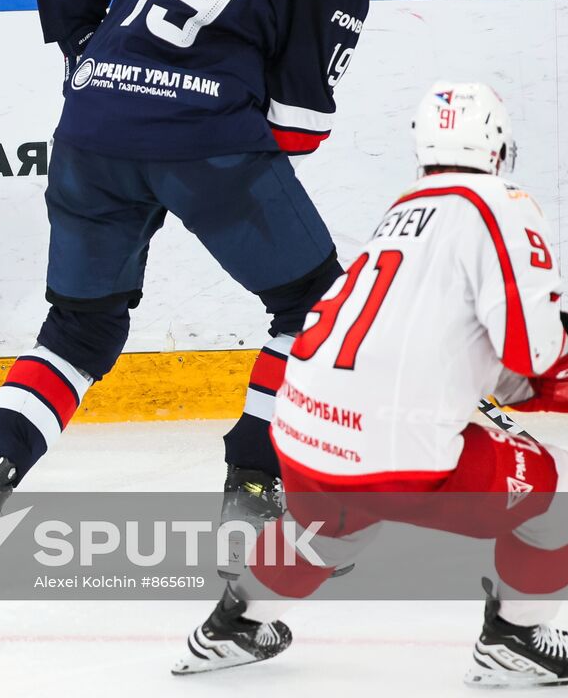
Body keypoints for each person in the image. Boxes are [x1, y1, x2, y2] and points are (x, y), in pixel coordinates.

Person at [0, 0, 414, 541]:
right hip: (208, 144)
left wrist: (87, 53)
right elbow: (301, 129)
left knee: (80, 332)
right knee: (314, 309)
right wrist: (218, 160)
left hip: (91, 130)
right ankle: (252, 485)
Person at [173, 81, 568, 686]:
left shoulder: (403, 211)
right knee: (555, 496)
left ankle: (235, 624)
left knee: (336, 525)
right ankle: (515, 639)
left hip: (302, 429)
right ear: (500, 149)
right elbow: (535, 352)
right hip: (390, 451)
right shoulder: (502, 203)